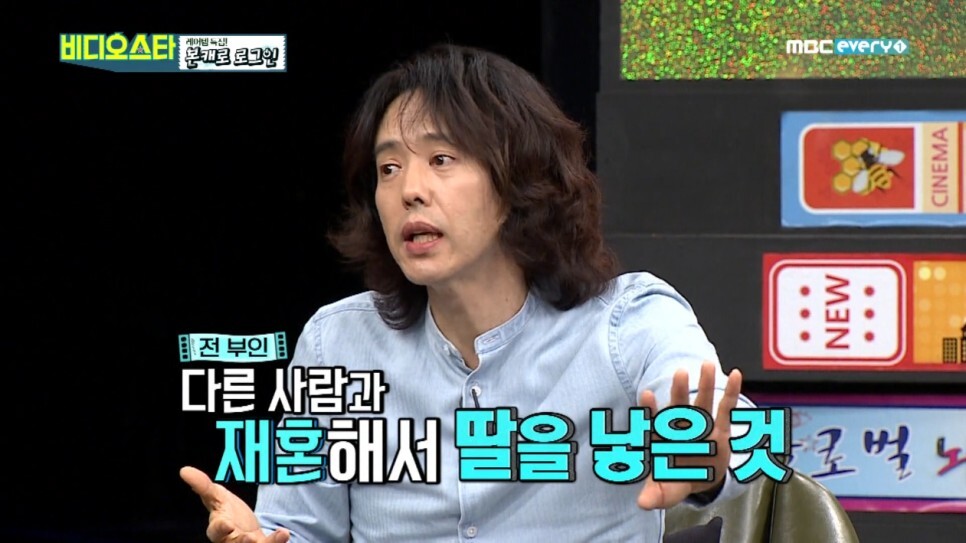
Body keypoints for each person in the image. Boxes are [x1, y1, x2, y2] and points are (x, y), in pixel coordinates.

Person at [181, 43, 754, 542]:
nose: (409, 190)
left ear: (518, 179)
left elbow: (730, 436)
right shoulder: (337, 344)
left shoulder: (628, 321)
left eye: (441, 159)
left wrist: (704, 460)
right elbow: (298, 526)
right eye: (388, 168)